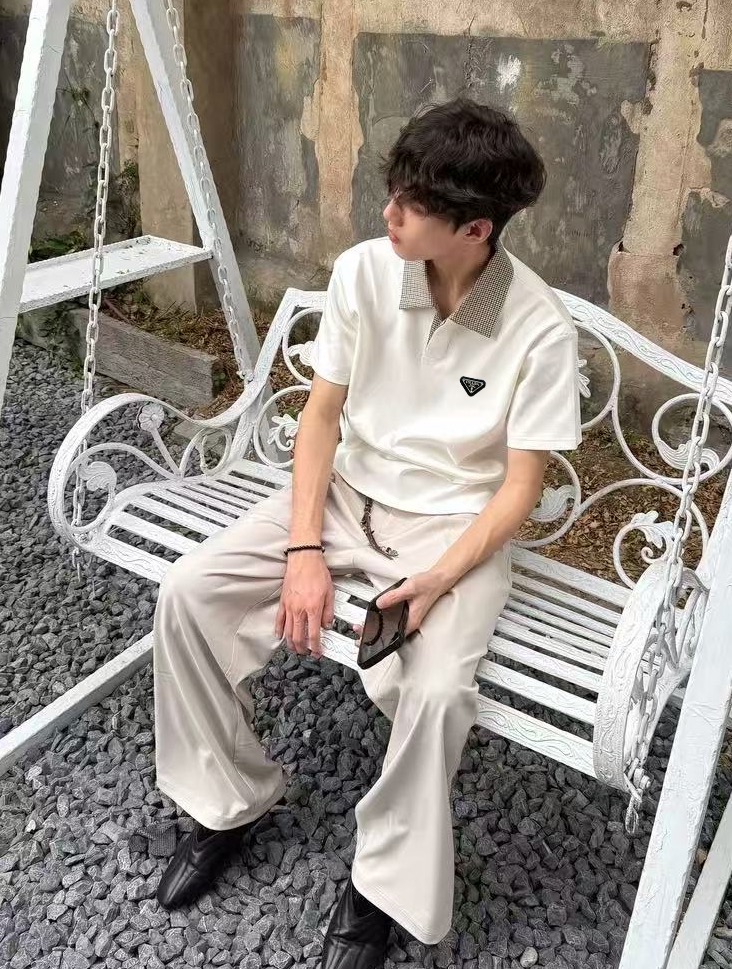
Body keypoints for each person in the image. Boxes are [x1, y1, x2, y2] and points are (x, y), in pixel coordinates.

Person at [151, 96, 583, 969]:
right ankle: (228, 798)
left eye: (411, 206)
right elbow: (320, 418)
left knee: (436, 691)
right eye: (393, 192)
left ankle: (380, 886)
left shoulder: (539, 327)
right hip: (347, 497)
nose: (387, 214)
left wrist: (437, 579)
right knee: (188, 594)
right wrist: (304, 548)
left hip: (455, 530)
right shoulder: (363, 273)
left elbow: (518, 490)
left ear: (476, 229)